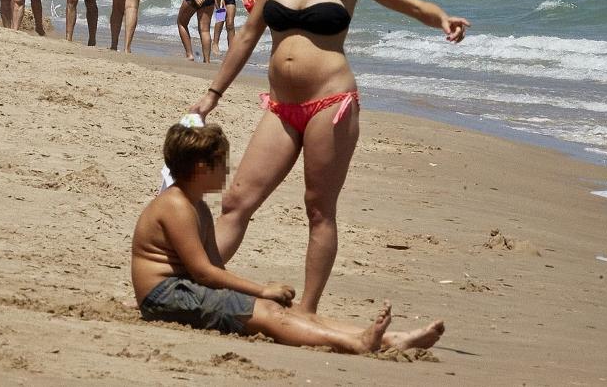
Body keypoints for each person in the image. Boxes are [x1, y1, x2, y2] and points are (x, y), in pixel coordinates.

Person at [190, 0, 470, 313]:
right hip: (281, 108)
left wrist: (442, 19)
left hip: (330, 104)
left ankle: (307, 310)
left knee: (319, 208)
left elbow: (411, 5)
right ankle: (196, 283)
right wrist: (212, 95)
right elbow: (248, 35)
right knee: (236, 200)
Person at [133, 121, 445, 354]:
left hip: (184, 289)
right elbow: (202, 272)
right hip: (164, 296)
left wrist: (256, 294)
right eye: (221, 164)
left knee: (279, 309)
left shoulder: (197, 205)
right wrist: (262, 290)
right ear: (202, 168)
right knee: (268, 311)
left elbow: (216, 269)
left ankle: (391, 339)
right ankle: (358, 344)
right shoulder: (176, 206)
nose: (227, 171)